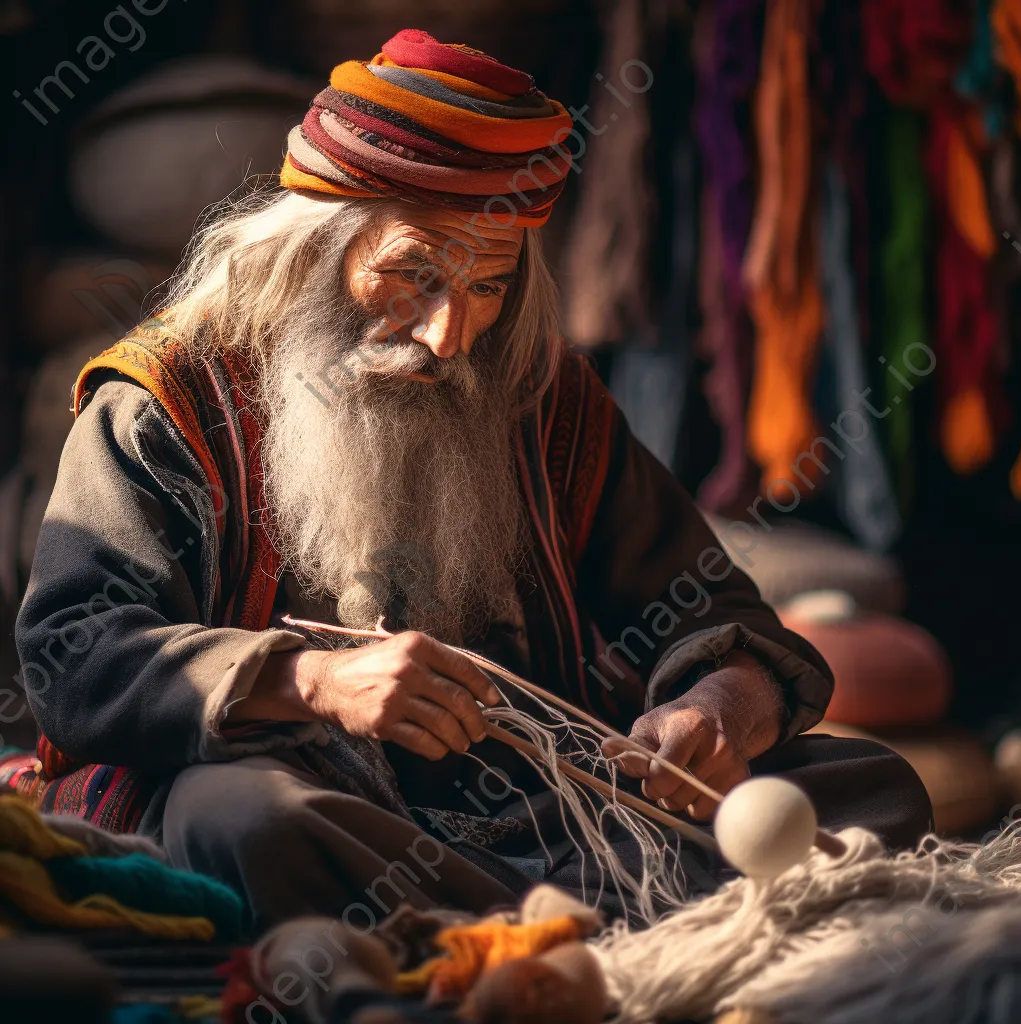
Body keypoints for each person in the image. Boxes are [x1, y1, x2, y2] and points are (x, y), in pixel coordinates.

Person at [14, 29, 930, 931]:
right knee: (241, 820)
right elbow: (76, 654)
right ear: (307, 254)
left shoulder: (542, 398)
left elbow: (709, 607)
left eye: (487, 287)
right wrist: (312, 682)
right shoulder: (165, 404)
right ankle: (598, 925)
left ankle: (520, 928)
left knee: (870, 787)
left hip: (539, 817)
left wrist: (726, 702)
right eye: (414, 275)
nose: (450, 334)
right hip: (312, 803)